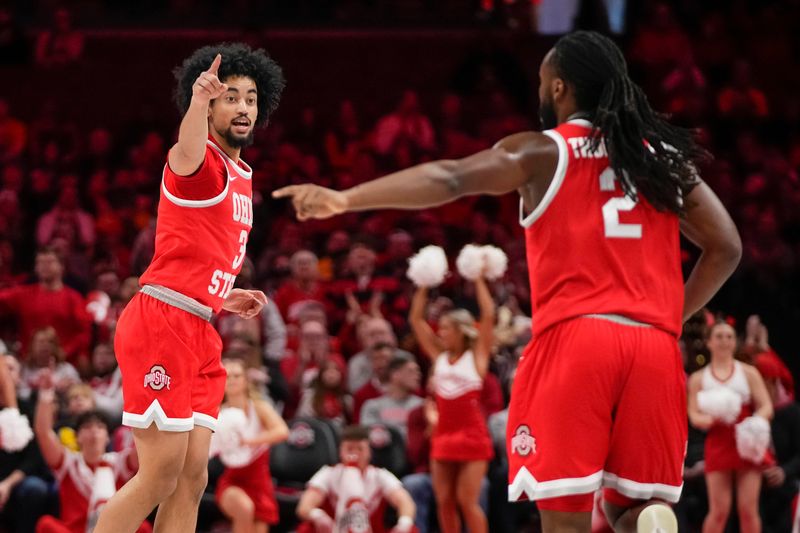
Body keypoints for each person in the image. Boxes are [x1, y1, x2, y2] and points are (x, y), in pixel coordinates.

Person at [274, 30, 742, 533]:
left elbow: (452, 177)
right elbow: (727, 247)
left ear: (559, 88)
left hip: (577, 338)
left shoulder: (544, 151)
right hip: (653, 345)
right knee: (627, 509)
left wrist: (346, 199)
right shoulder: (662, 158)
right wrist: (668, 320)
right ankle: (647, 519)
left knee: (566, 520)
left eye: (542, 83)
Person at [93, 43, 285, 533]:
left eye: (251, 98)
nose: (243, 106)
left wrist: (220, 294)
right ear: (210, 106)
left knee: (192, 477)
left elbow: (193, 248)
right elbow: (186, 149)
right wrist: (198, 103)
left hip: (199, 322)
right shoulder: (199, 166)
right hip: (162, 322)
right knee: (159, 475)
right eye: (231, 97)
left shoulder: (241, 174)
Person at [408, 274, 494, 533]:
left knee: (467, 502)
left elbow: (488, 314)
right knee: (444, 502)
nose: (441, 333)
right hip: (443, 435)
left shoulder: (477, 358)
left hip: (472, 436)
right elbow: (415, 320)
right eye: (441, 328)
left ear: (461, 331)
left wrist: (478, 279)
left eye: (447, 328)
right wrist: (424, 281)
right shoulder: (439, 356)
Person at [33, 369, 150, 533]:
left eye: (100, 427)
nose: (94, 431)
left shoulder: (119, 462)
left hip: (116, 530)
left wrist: (149, 393)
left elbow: (146, 445)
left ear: (108, 437)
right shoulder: (68, 463)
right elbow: (43, 433)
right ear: (77, 437)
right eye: (87, 427)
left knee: (143, 527)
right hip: (75, 531)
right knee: (46, 524)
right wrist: (46, 394)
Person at [687, 321, 773, 533]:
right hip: (718, 440)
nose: (724, 341)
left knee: (748, 509)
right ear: (708, 342)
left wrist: (753, 424)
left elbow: (766, 406)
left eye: (729, 336)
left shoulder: (749, 372)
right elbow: (693, 413)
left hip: (746, 441)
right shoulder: (699, 378)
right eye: (719, 336)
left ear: (735, 342)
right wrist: (707, 420)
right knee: (719, 510)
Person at [214, 358, 288, 533]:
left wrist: (247, 441)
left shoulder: (259, 407)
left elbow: (282, 431)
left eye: (237, 375)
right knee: (244, 508)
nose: (232, 380)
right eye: (227, 376)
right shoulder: (218, 412)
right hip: (232, 481)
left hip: (260, 483)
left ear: (246, 380)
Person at [296, 425, 416, 533]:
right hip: (334, 530)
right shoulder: (328, 473)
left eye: (360, 449)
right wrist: (317, 515)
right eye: (349, 449)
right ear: (340, 452)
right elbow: (304, 506)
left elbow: (405, 502)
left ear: (369, 452)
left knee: (411, 529)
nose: (355, 454)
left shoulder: (380, 475)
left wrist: (404, 523)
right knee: (307, 527)